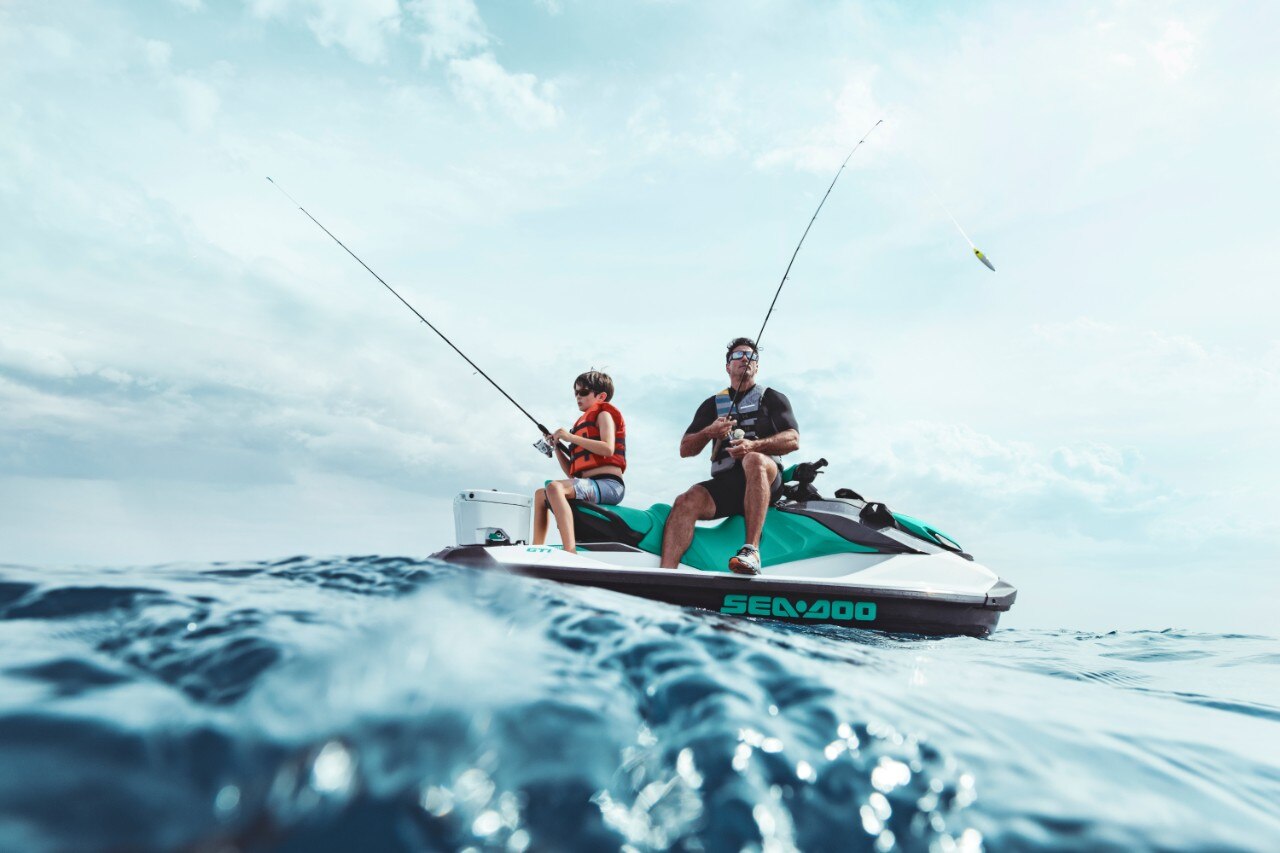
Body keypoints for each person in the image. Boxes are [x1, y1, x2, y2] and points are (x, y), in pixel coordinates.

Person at [660, 338, 799, 574]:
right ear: (728, 366)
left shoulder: (773, 398)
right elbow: (686, 449)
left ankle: (751, 552)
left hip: (767, 479)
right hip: (728, 486)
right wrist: (709, 432)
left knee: (752, 459)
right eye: (738, 355)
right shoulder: (712, 405)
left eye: (752, 356)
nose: (745, 359)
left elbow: (793, 439)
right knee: (685, 501)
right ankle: (665, 575)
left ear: (757, 366)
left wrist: (754, 445)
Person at [532, 370, 627, 553]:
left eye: (583, 392)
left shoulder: (604, 415)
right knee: (540, 494)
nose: (578, 397)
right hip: (590, 484)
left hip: (610, 486)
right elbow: (572, 474)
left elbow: (608, 448)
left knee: (554, 487)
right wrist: (557, 446)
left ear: (601, 396)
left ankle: (570, 551)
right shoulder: (578, 428)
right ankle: (536, 548)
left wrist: (570, 437)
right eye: (575, 393)